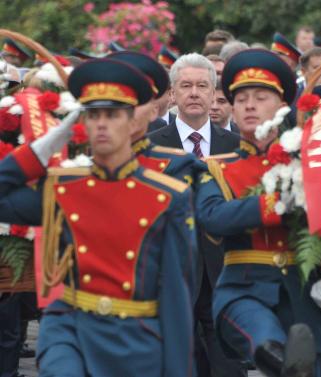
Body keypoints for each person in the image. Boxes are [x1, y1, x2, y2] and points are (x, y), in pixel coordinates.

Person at [0, 58, 196, 377]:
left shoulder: (167, 197)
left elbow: (175, 298)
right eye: (92, 115)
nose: (101, 124)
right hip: (70, 333)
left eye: (112, 115)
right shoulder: (65, 188)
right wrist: (41, 149)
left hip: (136, 341)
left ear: (134, 123)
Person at [196, 48, 321, 377]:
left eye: (261, 97)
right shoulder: (216, 168)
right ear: (231, 108)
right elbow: (212, 217)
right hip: (244, 289)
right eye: (241, 98)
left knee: (315, 363)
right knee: (267, 344)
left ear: (282, 106)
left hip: (305, 292)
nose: (249, 104)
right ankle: (279, 360)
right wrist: (275, 204)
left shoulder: (311, 162)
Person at [149, 52, 244, 377]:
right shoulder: (150, 147)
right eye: (185, 86)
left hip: (224, 269)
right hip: (170, 269)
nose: (193, 93)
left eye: (202, 86)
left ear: (214, 92)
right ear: (172, 94)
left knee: (227, 360)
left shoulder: (236, 145)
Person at [108, 50, 202, 183]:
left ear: (153, 110)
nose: (128, 112)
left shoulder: (178, 166)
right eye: (119, 104)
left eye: (138, 102)